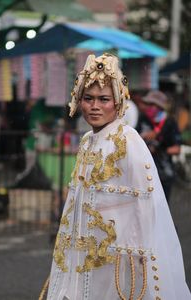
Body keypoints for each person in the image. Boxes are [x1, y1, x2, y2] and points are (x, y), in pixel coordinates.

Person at [40, 53, 191, 300]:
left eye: (104, 99)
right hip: (85, 249)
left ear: (118, 102)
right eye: (88, 98)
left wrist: (136, 255)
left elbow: (145, 203)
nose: (95, 106)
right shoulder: (88, 140)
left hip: (120, 255)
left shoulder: (128, 140)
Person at [136, 90, 181, 203]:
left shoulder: (169, 122)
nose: (148, 107)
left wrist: (159, 149)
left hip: (163, 174)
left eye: (152, 105)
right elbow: (135, 138)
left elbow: (177, 148)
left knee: (162, 206)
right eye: (148, 104)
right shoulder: (143, 118)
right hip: (144, 174)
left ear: (159, 107)